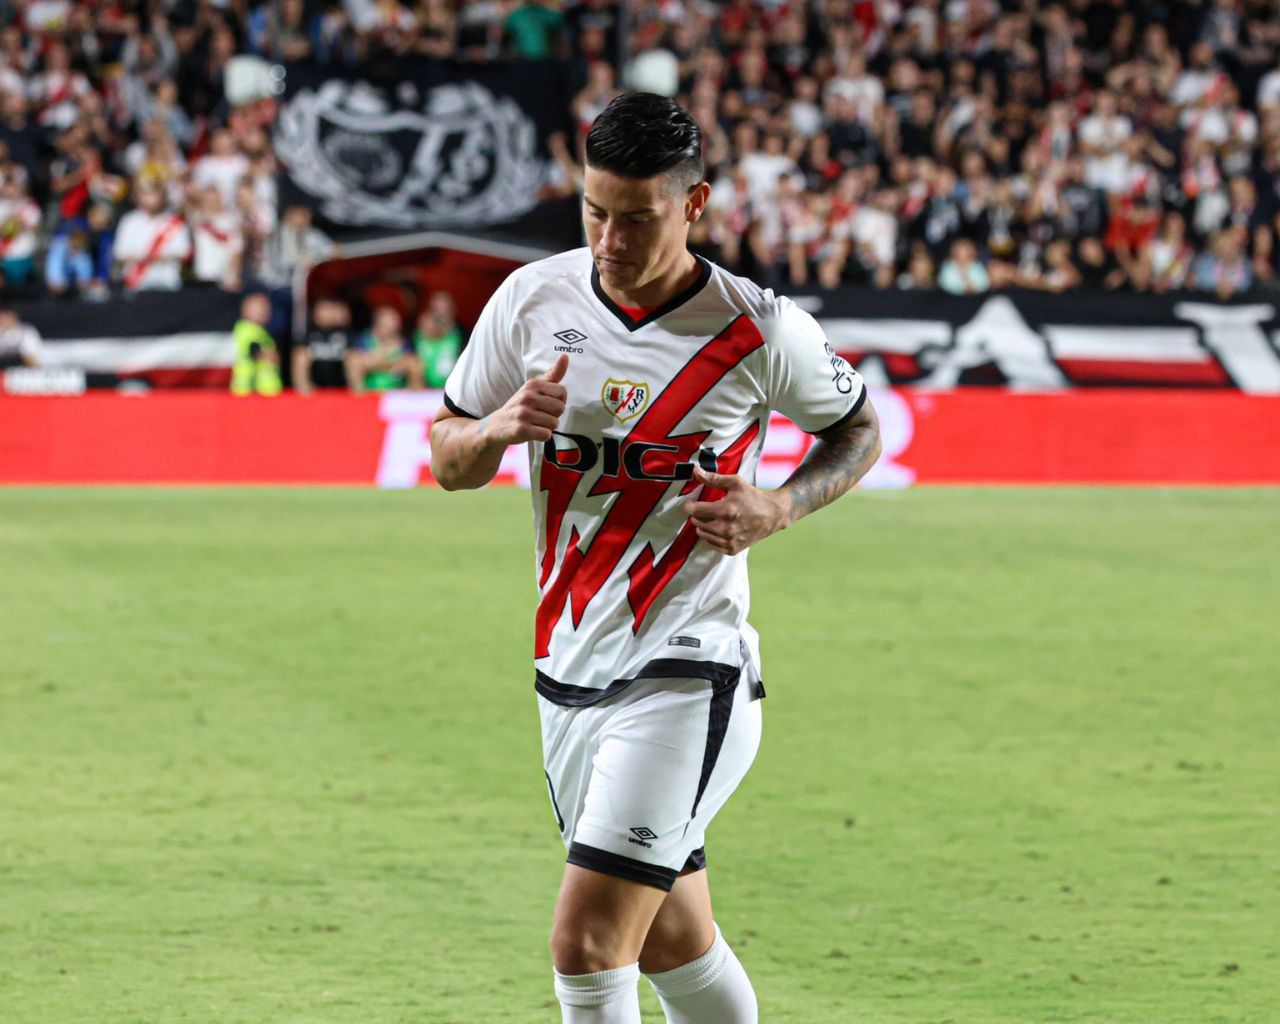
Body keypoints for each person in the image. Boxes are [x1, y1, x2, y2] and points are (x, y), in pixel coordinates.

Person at [429, 93, 882, 1024]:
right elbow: (446, 457)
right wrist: (499, 429)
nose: (609, 240)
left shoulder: (756, 328)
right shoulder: (532, 300)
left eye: (635, 219)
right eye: (594, 212)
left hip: (688, 667)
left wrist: (780, 505)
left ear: (694, 204)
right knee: (677, 940)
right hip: (568, 665)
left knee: (589, 945)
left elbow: (859, 430)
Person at [347, 305, 420, 393]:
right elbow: (356, 361)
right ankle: (359, 397)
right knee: (353, 360)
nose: (397, 323)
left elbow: (410, 363)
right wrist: (389, 362)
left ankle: (416, 397)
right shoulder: (363, 340)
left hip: (397, 390)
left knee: (414, 363)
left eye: (397, 320)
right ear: (378, 323)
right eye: (392, 319)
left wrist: (377, 362)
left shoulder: (404, 342)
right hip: (369, 390)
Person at [293, 297, 353, 393]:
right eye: (322, 309)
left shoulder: (346, 334)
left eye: (329, 309)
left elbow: (355, 354)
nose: (327, 313)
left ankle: (356, 394)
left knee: (353, 357)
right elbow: (300, 354)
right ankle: (305, 393)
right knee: (300, 356)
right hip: (316, 381)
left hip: (341, 379)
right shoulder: (309, 334)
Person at [230, 291, 282, 396]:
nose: (262, 312)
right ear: (245, 310)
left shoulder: (263, 333)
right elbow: (253, 348)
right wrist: (267, 354)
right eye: (257, 308)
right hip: (249, 391)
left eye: (265, 309)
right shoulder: (244, 328)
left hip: (266, 393)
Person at [412, 291, 464, 388]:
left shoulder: (462, 335)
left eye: (444, 309)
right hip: (425, 389)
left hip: (454, 388)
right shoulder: (418, 337)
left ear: (453, 310)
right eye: (436, 310)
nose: (440, 314)